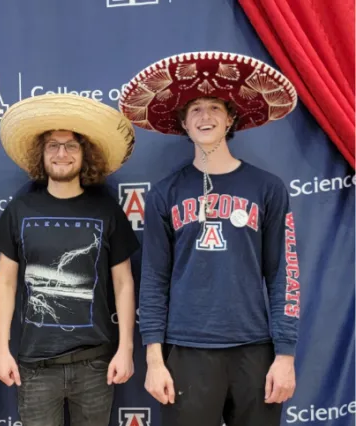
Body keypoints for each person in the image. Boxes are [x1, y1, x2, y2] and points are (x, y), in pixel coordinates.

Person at [119, 51, 301, 426]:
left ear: (230, 117)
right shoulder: (164, 194)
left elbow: (284, 275)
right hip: (186, 350)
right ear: (183, 123)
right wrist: (154, 359)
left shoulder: (267, 188)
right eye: (195, 109)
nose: (205, 117)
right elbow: (154, 281)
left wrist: (285, 356)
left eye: (215, 107)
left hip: (254, 350)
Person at [0, 94, 140, 426]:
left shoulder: (106, 210)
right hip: (35, 367)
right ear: (40, 156)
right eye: (53, 146)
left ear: (85, 155)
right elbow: (4, 282)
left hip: (95, 364)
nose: (62, 154)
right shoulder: (20, 210)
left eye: (71, 146)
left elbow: (124, 282)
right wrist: (1, 350)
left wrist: (126, 348)